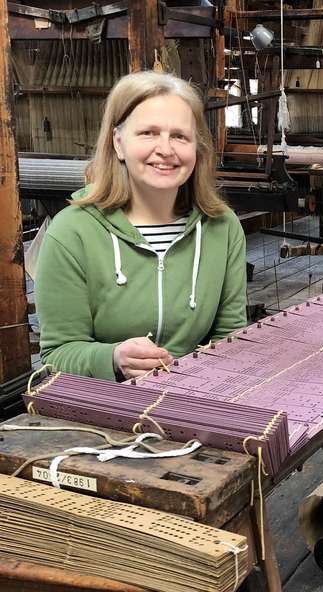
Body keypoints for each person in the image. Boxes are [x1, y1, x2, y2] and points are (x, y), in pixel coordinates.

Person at [35, 71, 247, 381]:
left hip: (196, 396)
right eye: (148, 133)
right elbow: (57, 354)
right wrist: (112, 357)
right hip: (106, 407)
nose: (166, 149)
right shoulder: (71, 233)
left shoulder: (223, 227)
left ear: (196, 148)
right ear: (118, 143)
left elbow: (231, 338)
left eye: (180, 136)